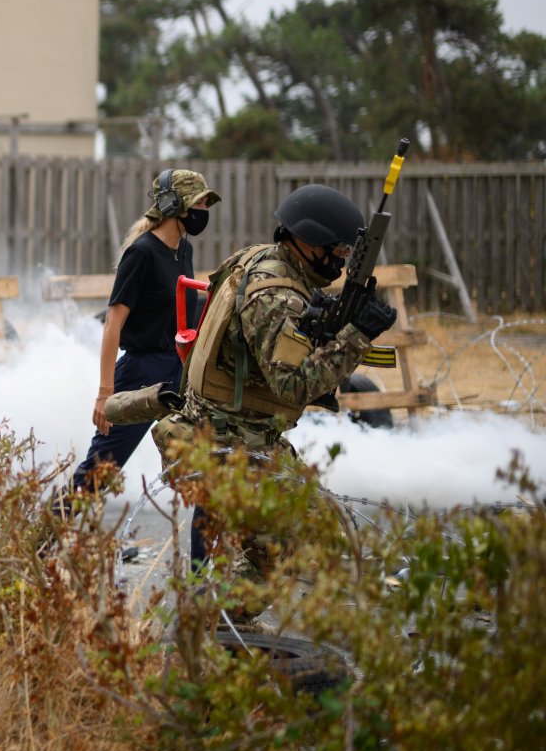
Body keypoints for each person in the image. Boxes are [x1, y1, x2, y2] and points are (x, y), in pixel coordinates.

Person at [151, 183, 398, 619]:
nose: (341, 260)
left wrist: (330, 312)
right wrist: (356, 336)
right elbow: (293, 386)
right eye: (336, 250)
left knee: (317, 532)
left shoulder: (261, 260)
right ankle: (210, 628)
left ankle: (217, 625)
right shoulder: (275, 297)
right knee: (280, 552)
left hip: (242, 435)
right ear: (308, 242)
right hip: (229, 443)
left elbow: (278, 332)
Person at [65, 169, 219, 500]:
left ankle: (201, 554)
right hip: (140, 373)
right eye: (199, 202)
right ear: (174, 205)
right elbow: (113, 324)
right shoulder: (142, 253)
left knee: (206, 470)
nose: (204, 210)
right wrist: (106, 393)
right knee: (99, 473)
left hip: (178, 372)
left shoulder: (184, 251)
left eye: (207, 203)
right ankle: (41, 545)